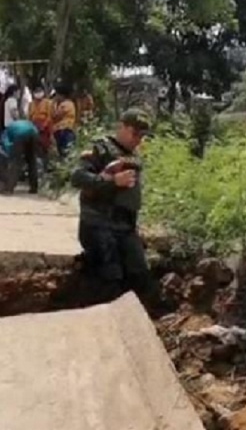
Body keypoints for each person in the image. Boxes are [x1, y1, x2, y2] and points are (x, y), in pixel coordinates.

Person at [71, 108, 154, 304]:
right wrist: (112, 181)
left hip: (125, 227)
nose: (138, 140)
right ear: (122, 127)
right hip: (99, 225)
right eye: (135, 133)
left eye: (142, 136)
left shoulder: (133, 155)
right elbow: (78, 177)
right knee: (110, 277)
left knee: (139, 276)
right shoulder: (101, 149)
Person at [1, 118, 40, 194]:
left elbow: (6, 144)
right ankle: (34, 188)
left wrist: (10, 155)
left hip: (20, 134)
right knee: (32, 161)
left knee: (16, 162)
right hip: (34, 132)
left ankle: (9, 188)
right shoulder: (17, 124)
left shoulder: (6, 132)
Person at [28, 84, 55, 167]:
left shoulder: (48, 103)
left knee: (45, 149)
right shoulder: (31, 104)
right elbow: (29, 117)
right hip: (34, 129)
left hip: (45, 130)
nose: (38, 93)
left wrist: (44, 126)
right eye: (36, 92)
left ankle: (46, 166)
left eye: (39, 91)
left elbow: (50, 116)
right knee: (35, 149)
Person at [52, 85, 77, 157]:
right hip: (61, 131)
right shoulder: (63, 104)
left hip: (65, 131)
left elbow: (55, 115)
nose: (56, 97)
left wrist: (54, 104)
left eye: (57, 95)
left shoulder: (66, 104)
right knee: (63, 153)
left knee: (66, 152)